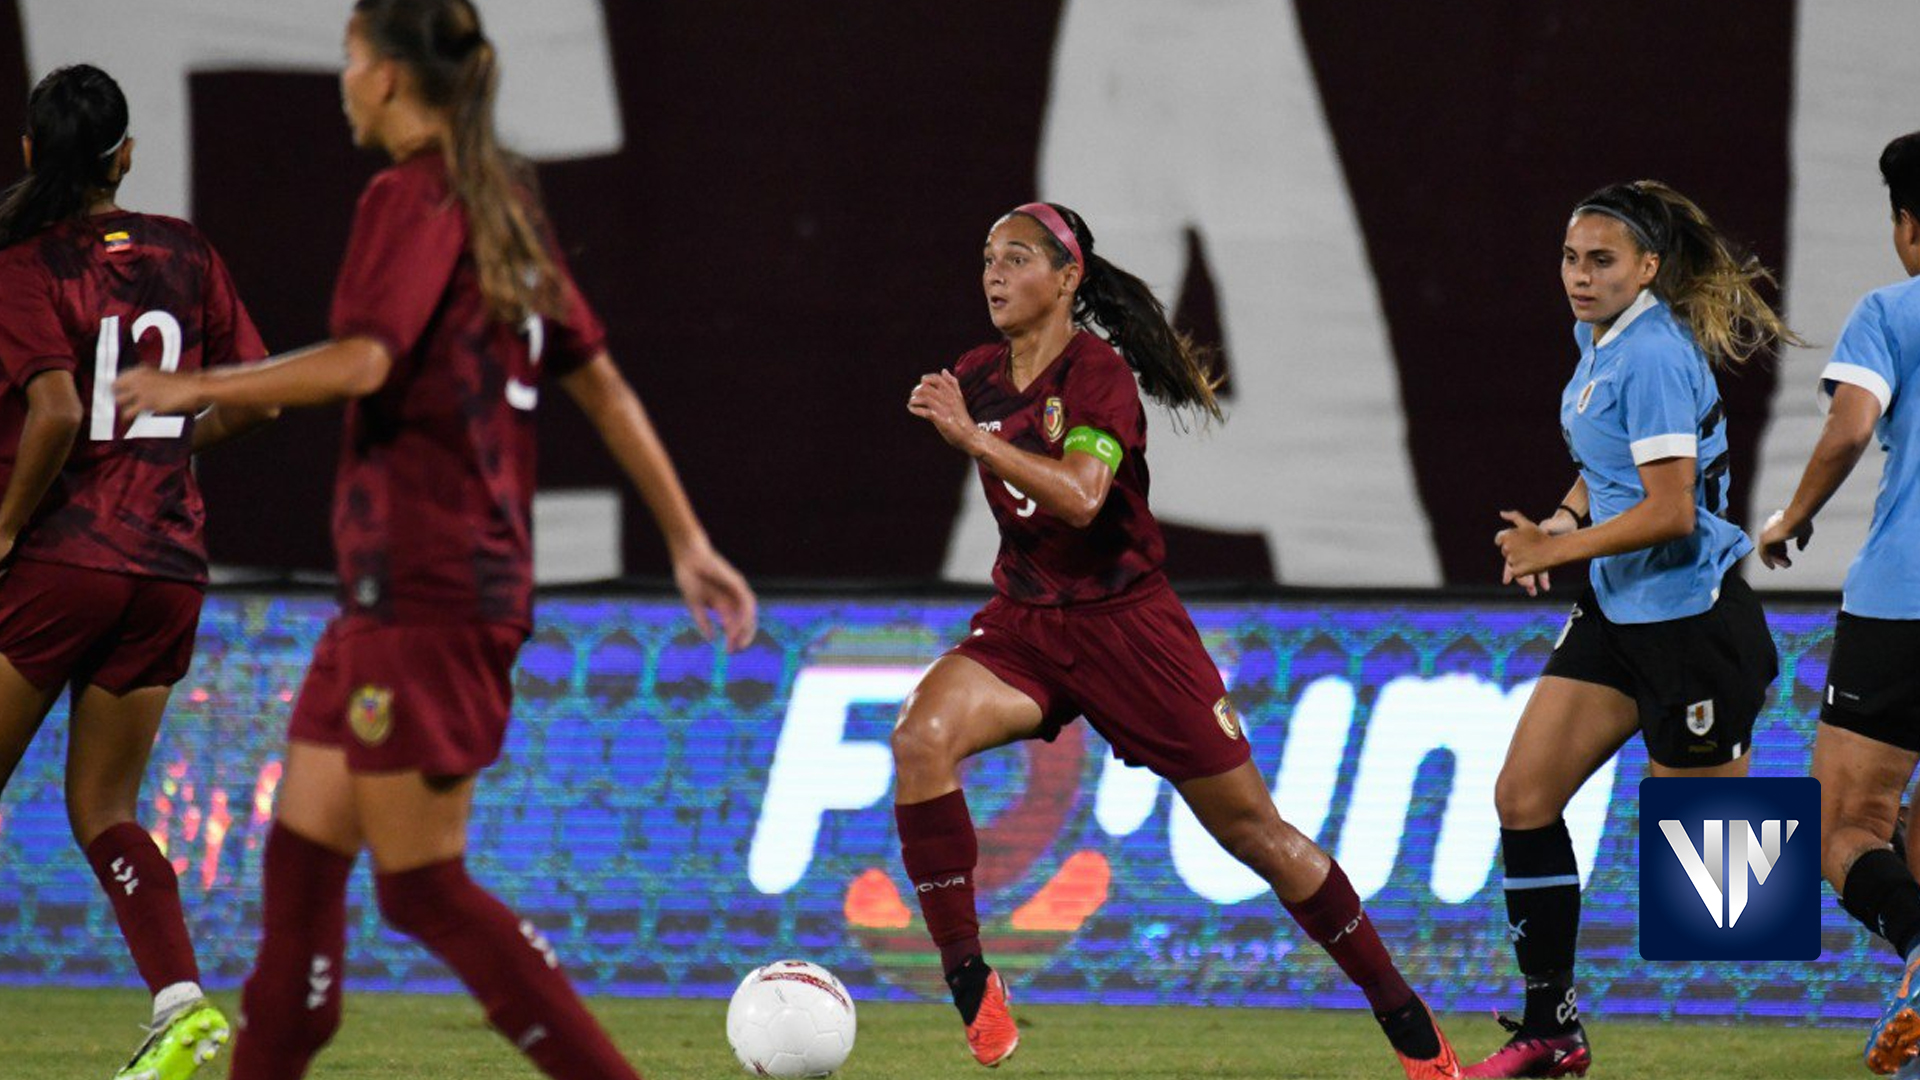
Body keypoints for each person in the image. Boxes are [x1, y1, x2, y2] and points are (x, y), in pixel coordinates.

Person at [113, 3, 756, 1077]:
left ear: (391, 80)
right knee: (303, 890)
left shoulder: (408, 197)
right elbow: (596, 378)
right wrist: (685, 535)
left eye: (351, 59)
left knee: (423, 888)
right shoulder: (499, 204)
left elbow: (367, 362)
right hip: (403, 599)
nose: (343, 80)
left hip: (428, 590)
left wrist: (196, 385)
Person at [900, 200, 1462, 1078]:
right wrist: (965, 420)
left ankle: (1409, 1025)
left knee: (1257, 836)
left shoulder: (1099, 378)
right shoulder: (977, 372)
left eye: (1016, 258)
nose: (995, 275)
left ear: (1069, 277)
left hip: (1132, 633)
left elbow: (1084, 498)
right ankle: (972, 982)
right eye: (986, 258)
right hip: (1027, 626)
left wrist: (970, 439)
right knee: (920, 738)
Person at [1482, 180, 1796, 1078]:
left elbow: (1672, 513)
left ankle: (1881, 879)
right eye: (1572, 259)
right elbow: (1602, 467)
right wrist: (1562, 523)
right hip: (1620, 614)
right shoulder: (1601, 339)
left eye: (1602, 261)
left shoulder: (1653, 354)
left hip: (1691, 625)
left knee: (1726, 896)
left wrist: (1556, 544)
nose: (1579, 277)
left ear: (1647, 267)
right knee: (1523, 799)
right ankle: (1552, 1028)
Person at [0, 63, 277, 1080]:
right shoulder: (188, 251)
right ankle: (181, 1003)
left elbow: (60, 411)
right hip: (165, 564)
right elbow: (255, 400)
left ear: (33, 154)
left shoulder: (28, 264)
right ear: (126, 154)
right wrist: (160, 451)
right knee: (106, 810)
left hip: (64, 558)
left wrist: (3, 526)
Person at [1758, 131, 1920, 1076]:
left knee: (1848, 829)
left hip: (1903, 603)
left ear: (1908, 225)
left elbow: (1851, 425)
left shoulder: (1892, 310)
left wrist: (1791, 518)